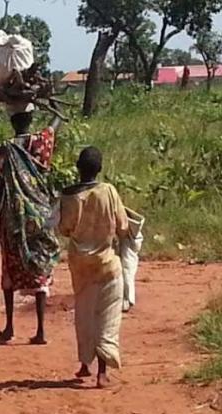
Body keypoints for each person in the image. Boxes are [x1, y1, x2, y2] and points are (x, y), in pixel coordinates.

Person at [0, 110, 61, 345]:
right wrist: (53, 110)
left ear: (12, 121)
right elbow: (55, 125)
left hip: (13, 217)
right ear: (31, 121)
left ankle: (9, 327)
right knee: (40, 269)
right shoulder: (40, 143)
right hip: (40, 215)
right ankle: (40, 330)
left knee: (9, 268)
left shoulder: (5, 150)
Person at [59, 147, 129, 389]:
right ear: (100, 169)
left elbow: (64, 229)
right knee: (107, 318)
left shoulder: (69, 197)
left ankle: (84, 365)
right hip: (108, 265)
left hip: (81, 268)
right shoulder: (108, 191)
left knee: (84, 316)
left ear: (78, 168)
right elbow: (122, 225)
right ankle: (102, 372)